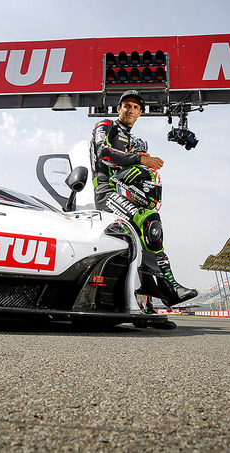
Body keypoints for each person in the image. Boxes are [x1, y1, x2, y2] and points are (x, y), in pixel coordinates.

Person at [89, 90, 197, 306]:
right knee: (148, 220)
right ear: (118, 108)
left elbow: (134, 170)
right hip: (106, 191)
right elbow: (104, 154)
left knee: (148, 233)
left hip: (126, 193)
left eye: (136, 107)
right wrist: (141, 159)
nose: (132, 110)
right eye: (127, 105)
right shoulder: (105, 126)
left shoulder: (133, 140)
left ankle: (147, 302)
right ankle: (169, 287)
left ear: (140, 113)